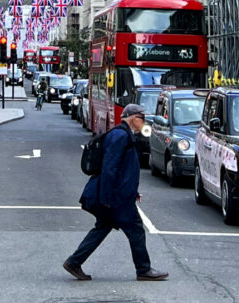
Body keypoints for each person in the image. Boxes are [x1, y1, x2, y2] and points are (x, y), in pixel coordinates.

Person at [64, 103, 168, 282]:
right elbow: (110, 168)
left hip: (117, 195)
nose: (143, 124)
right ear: (134, 118)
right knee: (135, 229)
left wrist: (132, 192)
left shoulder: (124, 135)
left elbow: (124, 170)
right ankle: (143, 270)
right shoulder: (120, 136)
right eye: (142, 119)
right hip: (115, 198)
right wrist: (106, 198)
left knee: (102, 228)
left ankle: (74, 262)